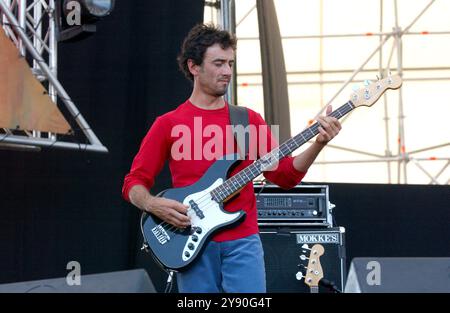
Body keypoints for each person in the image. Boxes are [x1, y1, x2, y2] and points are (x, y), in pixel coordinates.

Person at [122, 23, 341, 293]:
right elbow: (134, 182)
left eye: (230, 63)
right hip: (192, 242)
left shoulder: (247, 120)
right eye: (218, 63)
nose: (227, 71)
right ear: (194, 67)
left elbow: (284, 176)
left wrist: (318, 143)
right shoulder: (168, 124)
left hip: (243, 242)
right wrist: (153, 204)